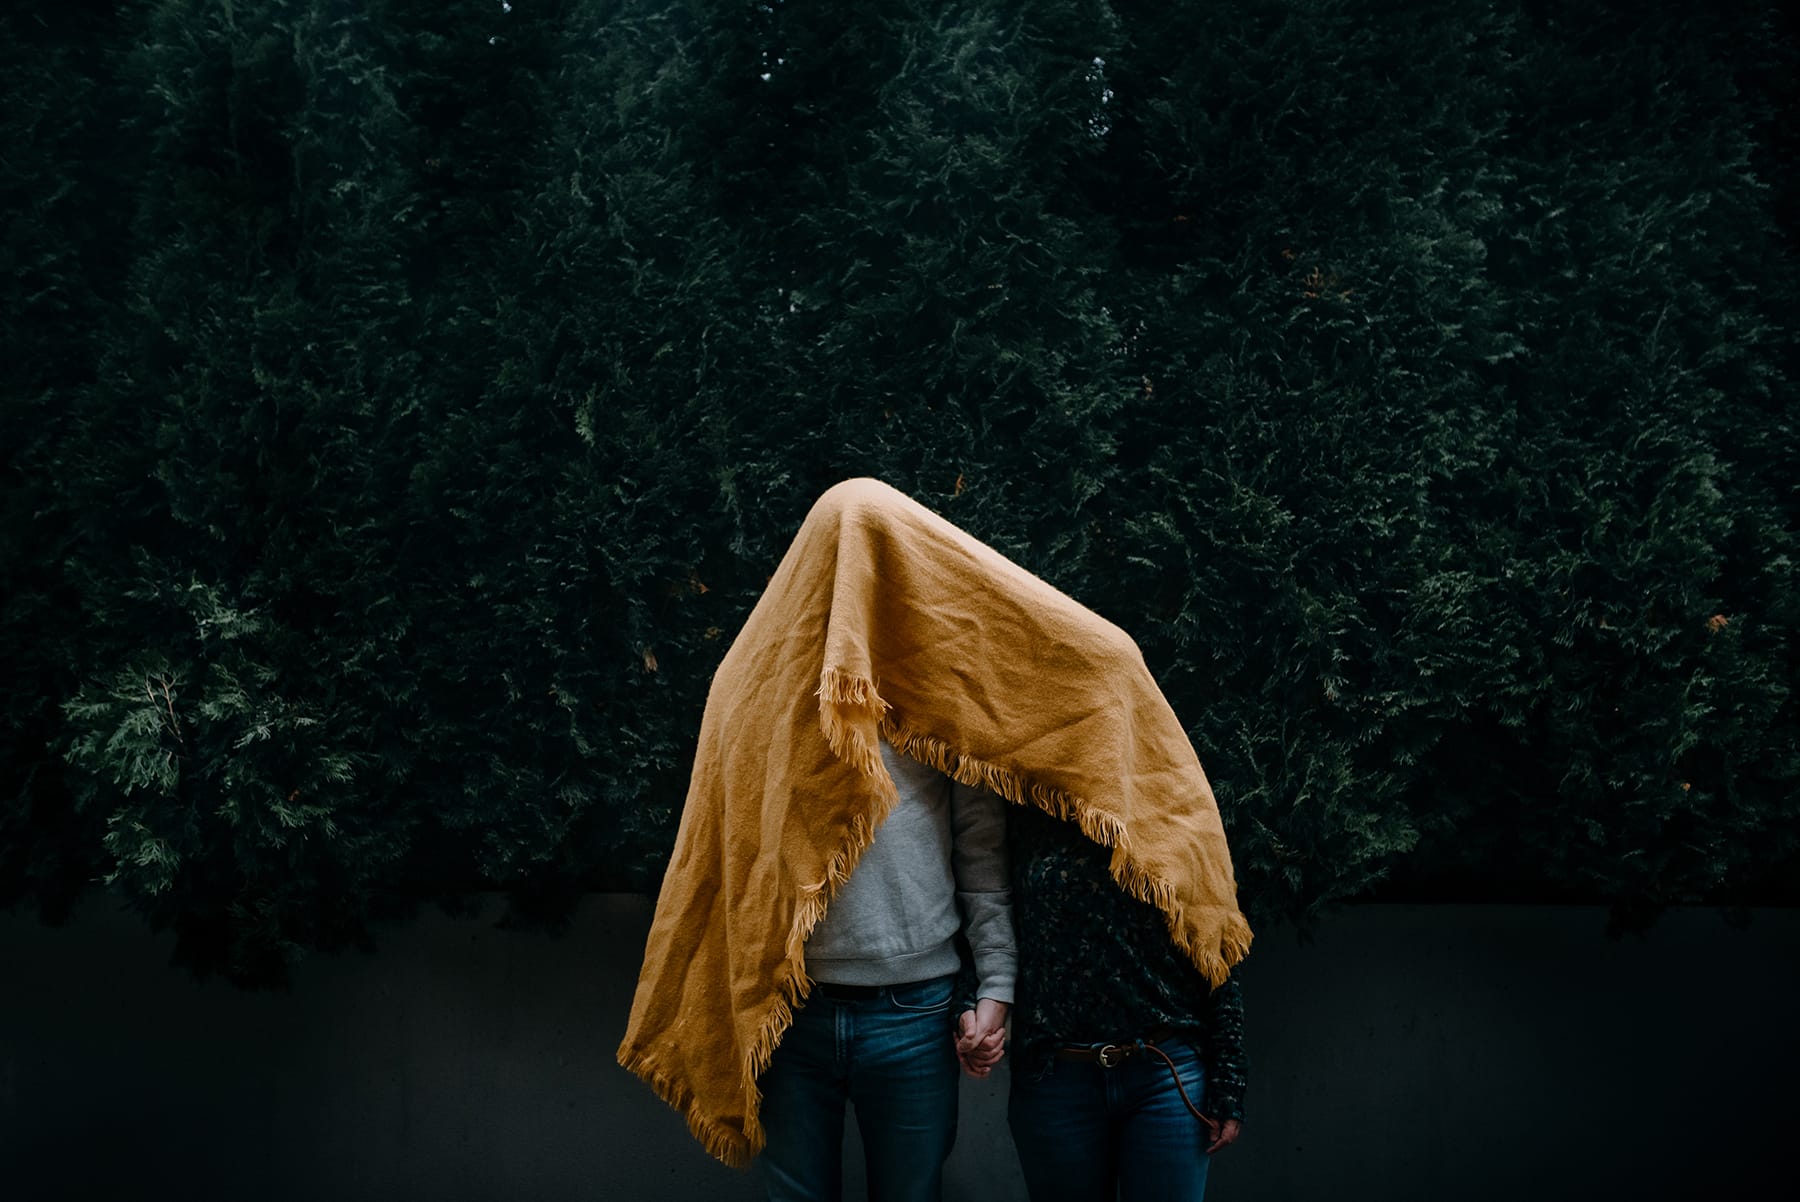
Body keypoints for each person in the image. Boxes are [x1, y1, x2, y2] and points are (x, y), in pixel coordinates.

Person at [618, 479, 1248, 1200]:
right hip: (790, 1015)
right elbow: (724, 863)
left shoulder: (935, 696)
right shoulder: (750, 687)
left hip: (915, 1010)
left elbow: (982, 862)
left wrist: (998, 991)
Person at [755, 737, 1015, 1202]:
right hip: (786, 1005)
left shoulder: (933, 681)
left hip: (915, 1010)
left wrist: (996, 982)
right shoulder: (771, 674)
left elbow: (981, 845)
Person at [993, 801, 1246, 1202]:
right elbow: (989, 912)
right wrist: (970, 1006)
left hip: (1165, 1076)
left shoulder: (1172, 795)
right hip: (1056, 1081)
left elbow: (1216, 950)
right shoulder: (1027, 794)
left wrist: (1229, 1080)